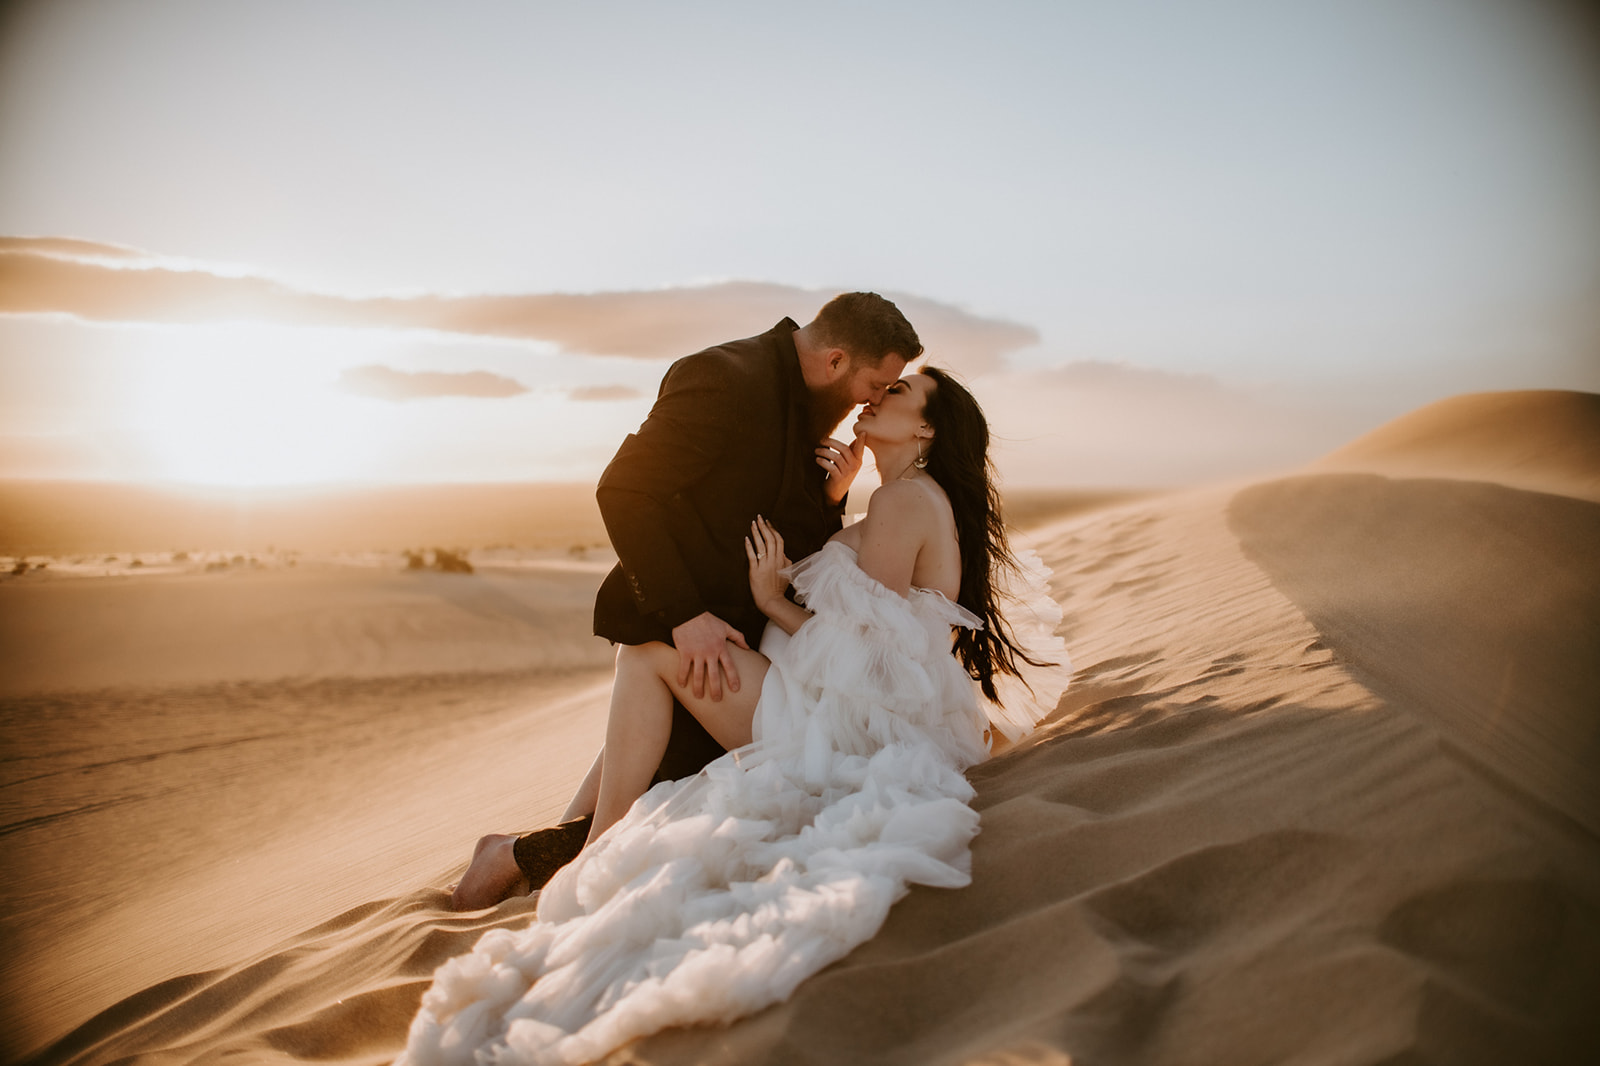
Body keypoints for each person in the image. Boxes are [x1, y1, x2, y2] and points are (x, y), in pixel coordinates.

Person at [402, 367, 1072, 1066]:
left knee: (649, 655)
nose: (876, 397)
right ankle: (549, 842)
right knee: (670, 673)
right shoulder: (898, 500)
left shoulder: (905, 500)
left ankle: (580, 848)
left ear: (927, 429)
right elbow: (871, 607)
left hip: (823, 719)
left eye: (898, 393)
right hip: (829, 709)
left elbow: (872, 653)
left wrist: (770, 595)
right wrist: (833, 502)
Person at [449, 293, 920, 911]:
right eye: (874, 382)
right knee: (664, 805)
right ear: (835, 360)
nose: (875, 398)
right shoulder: (723, 376)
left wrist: (830, 499)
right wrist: (683, 618)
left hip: (747, 642)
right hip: (685, 634)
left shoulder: (815, 409)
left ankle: (516, 862)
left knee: (663, 799)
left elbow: (780, 540)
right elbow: (624, 490)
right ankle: (513, 861)